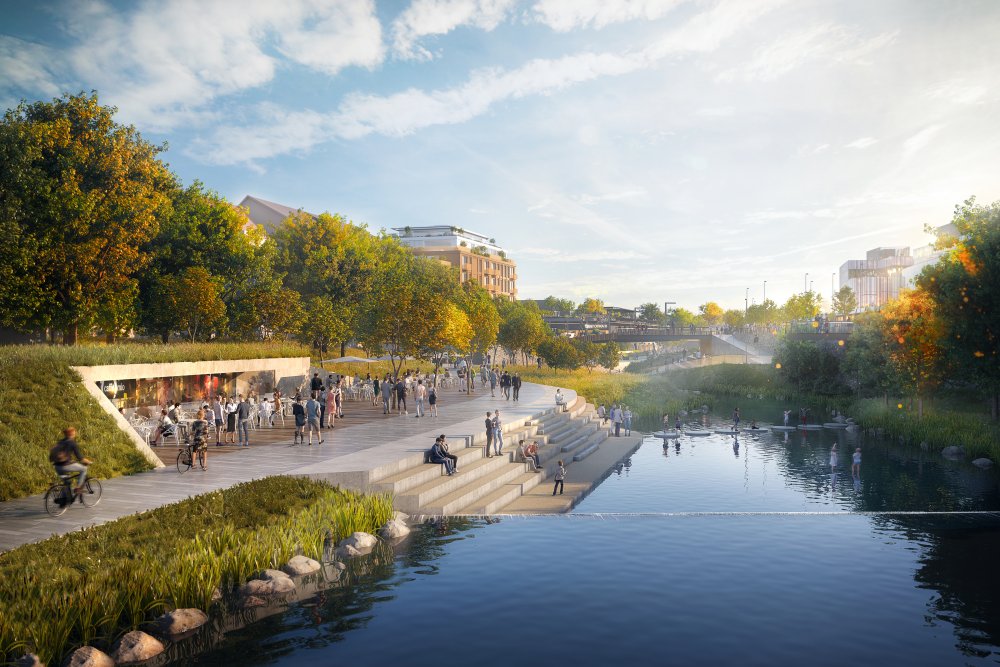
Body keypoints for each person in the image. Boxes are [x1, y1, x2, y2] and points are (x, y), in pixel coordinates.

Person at [50, 427, 91, 493]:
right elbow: (80, 458)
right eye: (74, 433)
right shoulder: (72, 442)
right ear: (72, 434)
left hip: (57, 467)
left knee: (67, 483)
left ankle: (64, 500)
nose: (75, 434)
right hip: (65, 466)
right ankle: (78, 488)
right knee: (84, 469)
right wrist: (88, 462)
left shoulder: (61, 441)